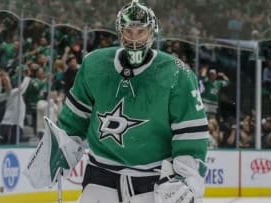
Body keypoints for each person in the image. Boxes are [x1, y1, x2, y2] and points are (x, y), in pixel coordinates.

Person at [57, 1, 209, 203]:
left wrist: (187, 178)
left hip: (152, 185)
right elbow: (73, 122)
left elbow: (190, 137)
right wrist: (58, 151)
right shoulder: (94, 65)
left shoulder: (177, 74)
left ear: (152, 32)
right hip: (100, 179)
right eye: (129, 31)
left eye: (141, 31)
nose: (135, 39)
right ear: (120, 33)